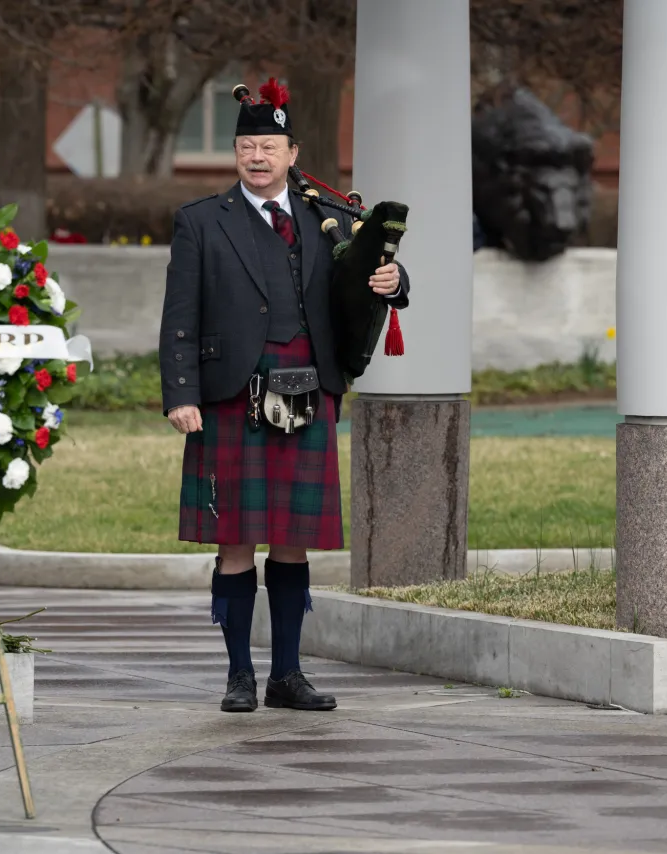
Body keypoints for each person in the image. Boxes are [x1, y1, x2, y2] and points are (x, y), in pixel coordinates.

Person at [159, 80, 410, 713]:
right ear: (236, 152)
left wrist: (396, 277)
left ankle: (288, 675)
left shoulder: (333, 221)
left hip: (308, 388)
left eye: (269, 145)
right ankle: (240, 675)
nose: (257, 155)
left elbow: (369, 276)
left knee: (292, 538)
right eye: (247, 144)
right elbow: (179, 314)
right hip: (229, 394)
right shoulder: (200, 222)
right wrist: (180, 393)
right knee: (236, 539)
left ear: (294, 152)